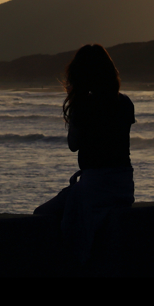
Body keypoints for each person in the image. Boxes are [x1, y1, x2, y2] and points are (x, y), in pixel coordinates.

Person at [33, 44, 135, 262]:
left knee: (42, 215)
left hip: (94, 186)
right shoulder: (125, 102)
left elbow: (73, 144)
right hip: (123, 184)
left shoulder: (85, 106)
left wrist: (77, 104)